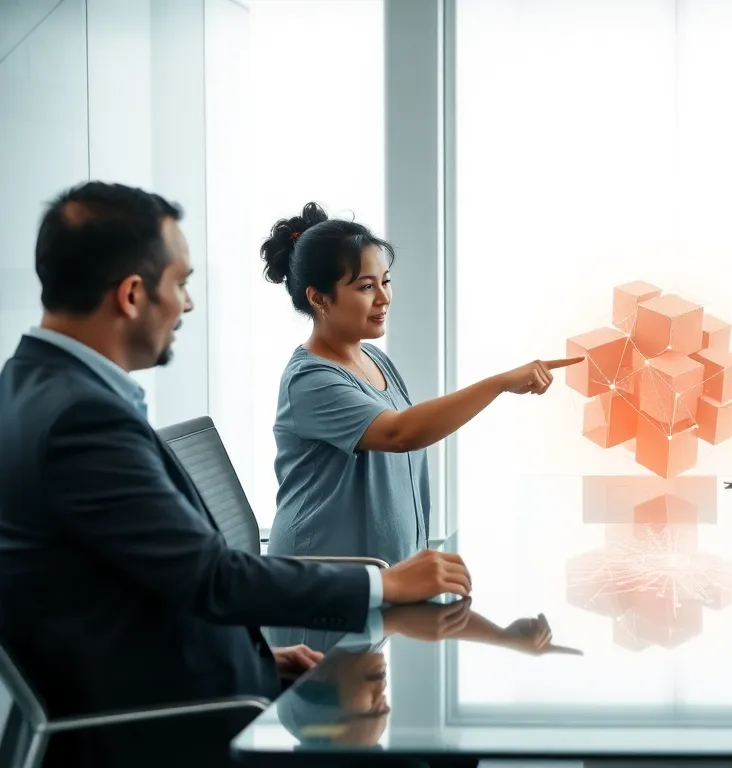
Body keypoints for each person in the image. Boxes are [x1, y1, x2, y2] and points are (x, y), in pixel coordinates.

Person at [0, 182, 472, 767]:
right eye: (181, 283)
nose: (187, 304)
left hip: (187, 684)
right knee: (441, 755)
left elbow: (135, 586)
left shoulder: (30, 388)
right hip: (164, 724)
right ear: (130, 295)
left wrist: (258, 658)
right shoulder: (81, 417)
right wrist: (386, 584)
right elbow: (210, 578)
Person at [259, 203, 582, 567]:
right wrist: (500, 383)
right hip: (321, 587)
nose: (383, 298)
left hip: (382, 576)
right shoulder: (310, 381)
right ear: (319, 298)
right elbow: (401, 434)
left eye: (386, 281)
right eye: (366, 286)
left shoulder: (375, 360)